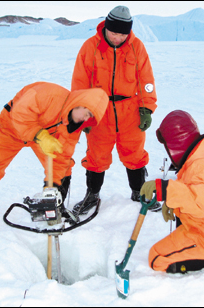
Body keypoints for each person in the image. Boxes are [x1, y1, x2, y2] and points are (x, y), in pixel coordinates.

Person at [0, 82, 109, 231]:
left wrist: (51, 188)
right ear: (80, 104)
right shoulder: (48, 95)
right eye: (87, 113)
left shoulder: (73, 126)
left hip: (43, 138)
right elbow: (19, 114)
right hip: (11, 127)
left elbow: (61, 159)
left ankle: (55, 208)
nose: (85, 119)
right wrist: (39, 135)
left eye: (90, 117)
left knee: (64, 169)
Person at [71, 5, 157, 215]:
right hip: (99, 111)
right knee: (96, 155)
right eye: (114, 33)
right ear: (106, 28)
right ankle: (92, 195)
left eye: (122, 34)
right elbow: (80, 83)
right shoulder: (90, 47)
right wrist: (82, 114)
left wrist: (147, 108)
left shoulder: (137, 47)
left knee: (135, 154)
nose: (118, 38)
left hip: (130, 110)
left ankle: (139, 191)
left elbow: (146, 80)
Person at [140, 110, 204, 278]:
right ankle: (202, 252)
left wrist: (166, 189)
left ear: (176, 145)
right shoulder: (202, 155)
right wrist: (172, 203)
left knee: (156, 258)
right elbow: (194, 189)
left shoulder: (203, 166)